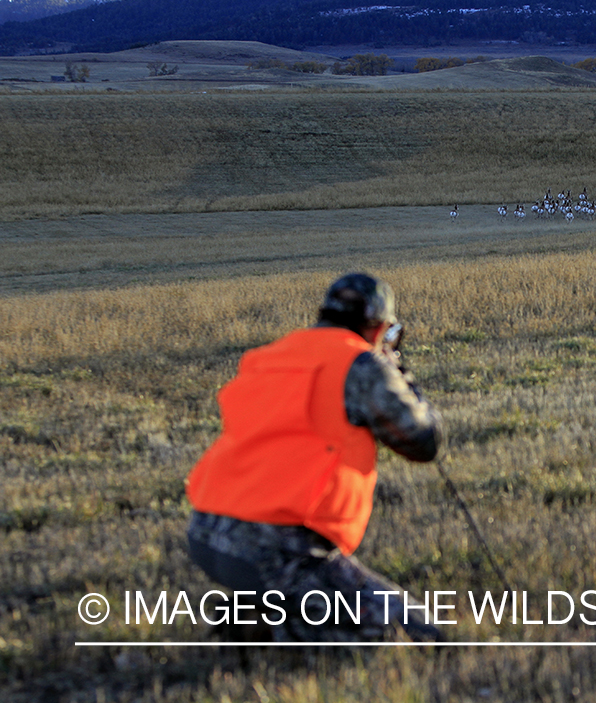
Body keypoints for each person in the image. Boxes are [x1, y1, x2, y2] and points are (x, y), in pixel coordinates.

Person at [185, 272, 445, 642]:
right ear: (379, 329)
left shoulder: (271, 355)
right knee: (414, 634)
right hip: (276, 549)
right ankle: (270, 630)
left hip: (205, 533)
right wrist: (398, 372)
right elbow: (424, 442)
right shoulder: (362, 365)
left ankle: (260, 614)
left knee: (313, 592)